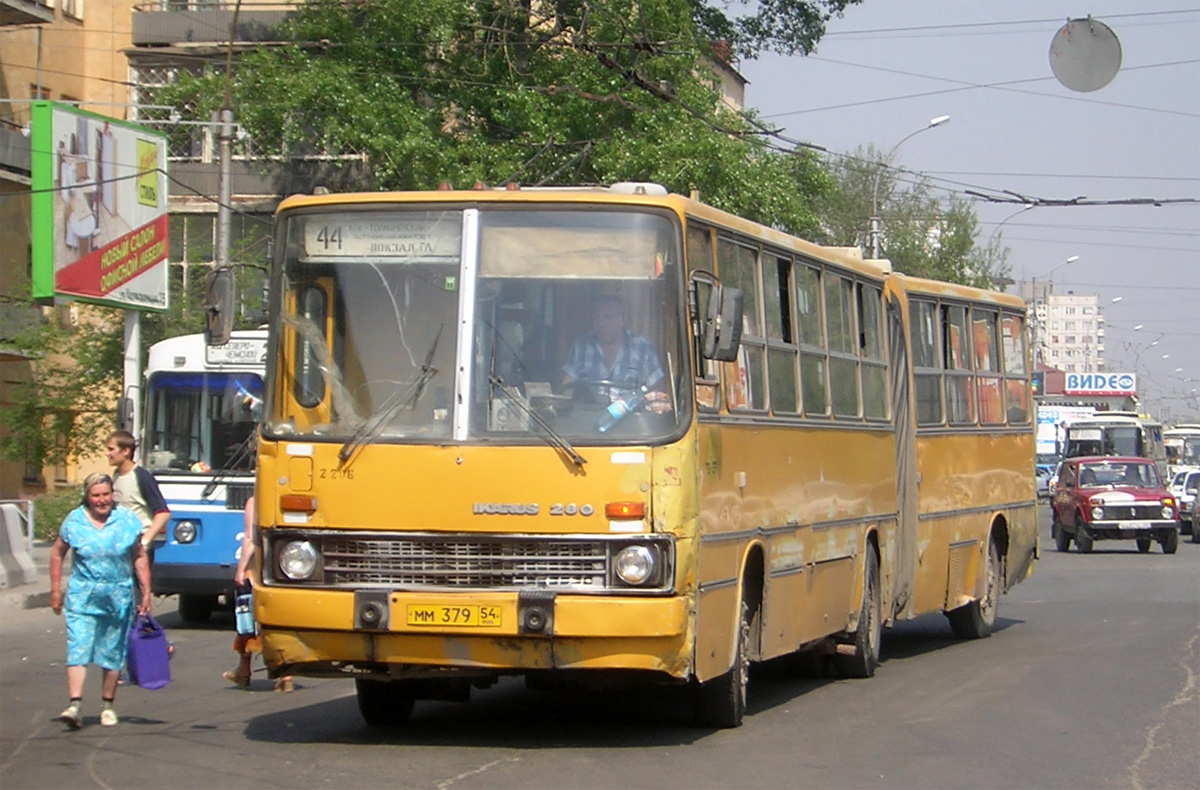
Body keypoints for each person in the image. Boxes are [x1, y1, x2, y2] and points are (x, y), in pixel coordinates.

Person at [50, 473, 152, 729]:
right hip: (82, 596)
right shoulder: (74, 521)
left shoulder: (127, 521)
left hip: (117, 596)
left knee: (112, 651)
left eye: (106, 494)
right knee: (78, 647)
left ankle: (107, 705)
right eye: (96, 495)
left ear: (112, 495)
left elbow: (139, 556)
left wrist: (146, 591)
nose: (101, 500)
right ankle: (75, 704)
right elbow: (57, 553)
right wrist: (55, 589)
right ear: (87, 496)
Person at [223, 496, 294, 693]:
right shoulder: (284, 495)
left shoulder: (255, 501)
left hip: (257, 572)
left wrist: (241, 569)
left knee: (248, 623)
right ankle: (285, 675)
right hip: (285, 571)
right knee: (278, 623)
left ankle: (244, 672)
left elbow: (250, 538)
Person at [560, 294, 669, 412]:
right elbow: (567, 389)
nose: (601, 324)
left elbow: (658, 393)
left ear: (622, 319)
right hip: (587, 421)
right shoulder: (581, 346)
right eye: (597, 318)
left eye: (608, 317)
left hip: (633, 424)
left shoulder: (643, 348)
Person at [106, 430, 170, 557]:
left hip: (137, 543)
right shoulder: (116, 475)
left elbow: (163, 513)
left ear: (126, 451)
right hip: (121, 543)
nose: (107, 454)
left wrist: (145, 541)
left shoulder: (142, 476)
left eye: (111, 449)